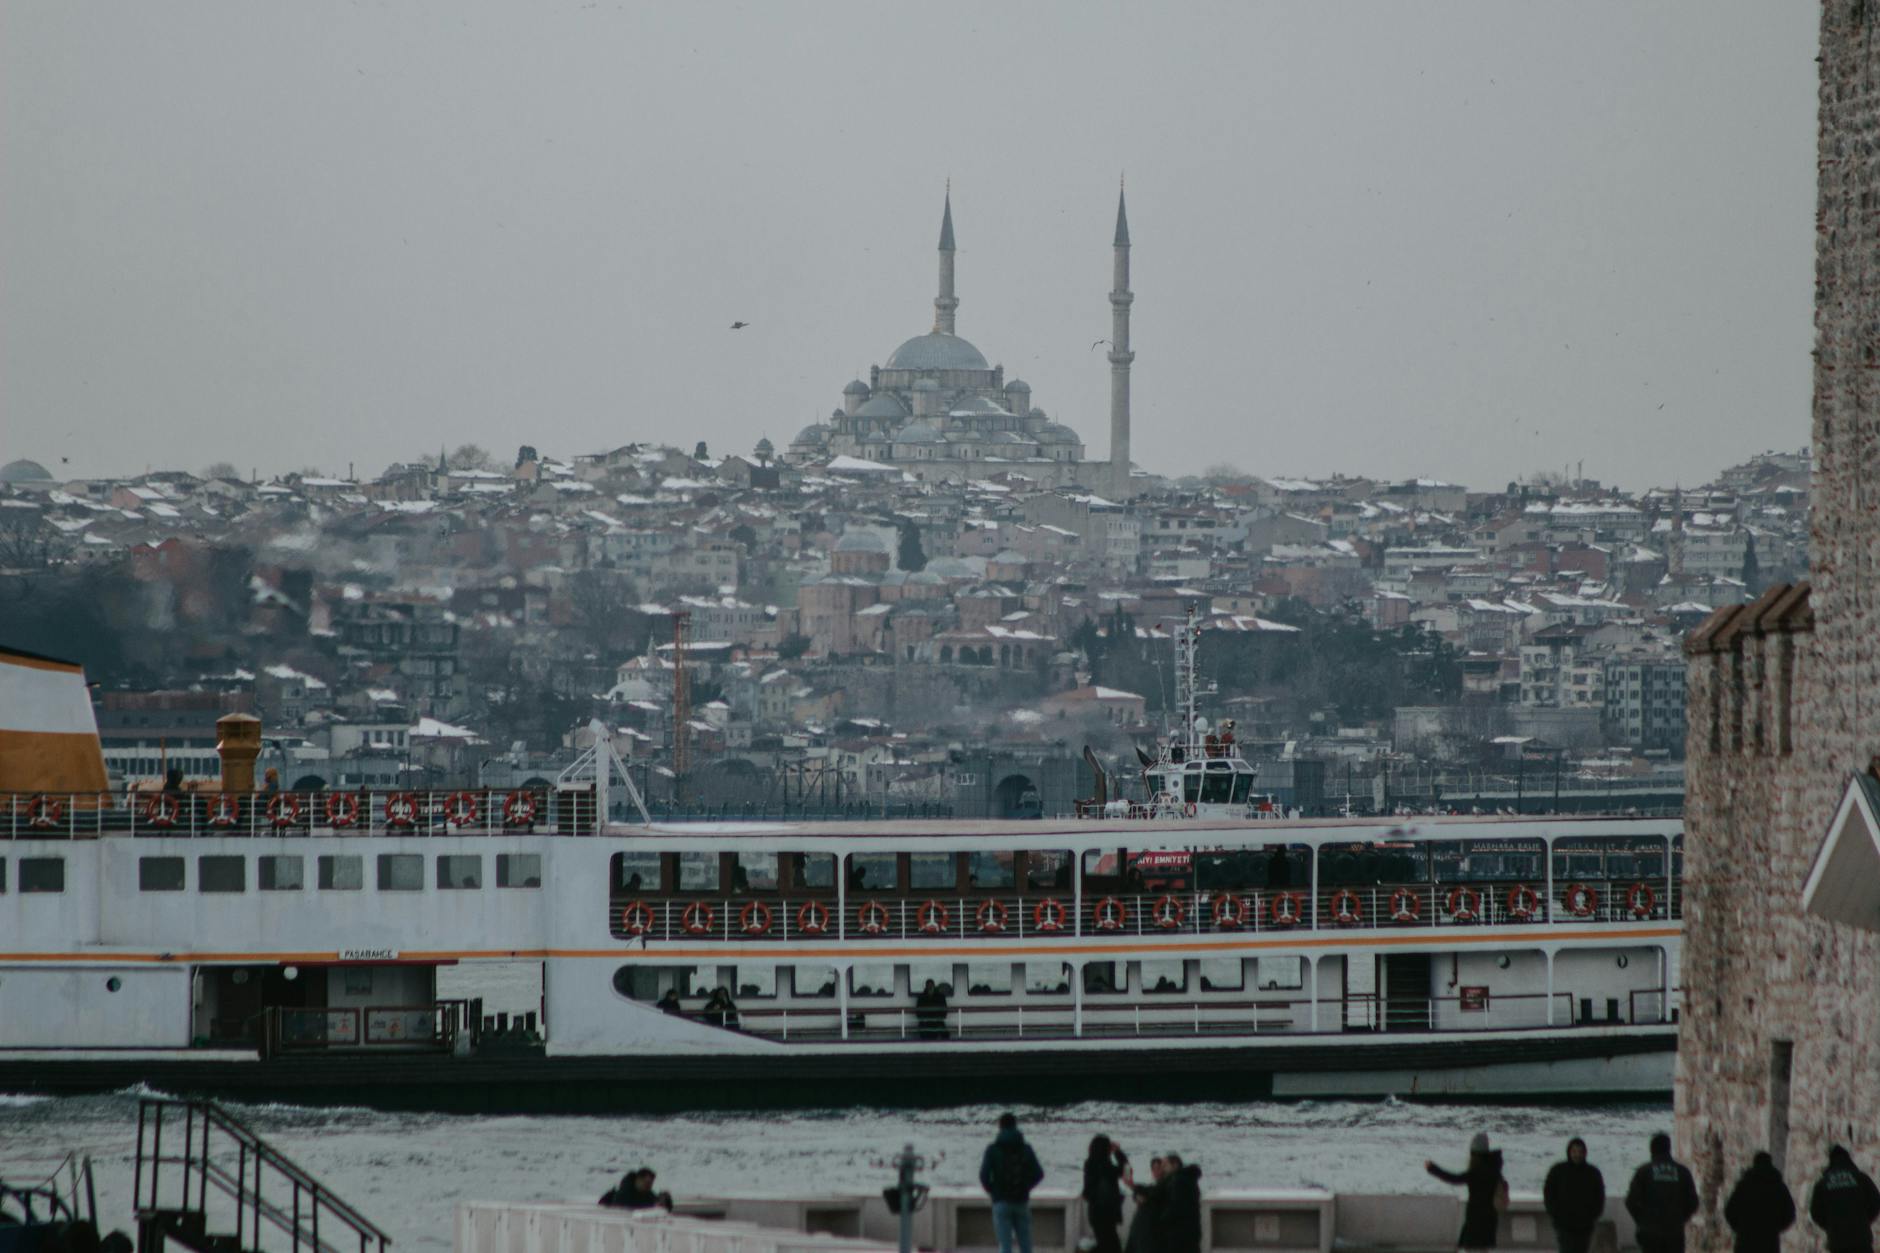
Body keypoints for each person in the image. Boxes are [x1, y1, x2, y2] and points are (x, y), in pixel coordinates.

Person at [1426, 1133, 1507, 1252]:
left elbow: (1454, 1178)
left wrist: (1432, 1168)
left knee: (1471, 1248)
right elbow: (1503, 1185)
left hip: (1475, 1217)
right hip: (1490, 1216)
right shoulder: (1494, 1168)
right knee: (1483, 1249)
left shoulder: (1476, 1171)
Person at [979, 1112, 1045, 1253]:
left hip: (1001, 1202)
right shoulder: (1026, 1148)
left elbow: (984, 1176)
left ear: (1000, 1127)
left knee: (1005, 1246)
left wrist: (994, 1192)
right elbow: (1039, 1174)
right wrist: (1026, 1187)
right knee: (1026, 1245)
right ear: (1016, 1125)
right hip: (1021, 1201)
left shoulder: (992, 1149)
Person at [1625, 1133, 1700, 1253]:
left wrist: (1642, 1220)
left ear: (1651, 1149)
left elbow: (1631, 1201)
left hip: (1650, 1232)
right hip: (1674, 1232)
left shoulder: (1644, 1171)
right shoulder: (1682, 1172)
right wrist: (1681, 1218)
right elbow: (1693, 1202)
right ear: (1669, 1149)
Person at [1810, 1146, 1880, 1253]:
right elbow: (1876, 1202)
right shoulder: (1861, 1178)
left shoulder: (1822, 1183)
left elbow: (1815, 1212)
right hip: (1861, 1240)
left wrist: (1830, 1224)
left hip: (1837, 1241)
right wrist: (1864, 1221)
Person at [1724, 1151, 1795, 1253]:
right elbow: (1789, 1213)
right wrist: (1775, 1228)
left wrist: (1740, 1228)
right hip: (1769, 1241)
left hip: (1745, 1240)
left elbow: (1730, 1211)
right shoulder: (1778, 1186)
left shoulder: (1744, 1185)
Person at [1544, 1137, 1607, 1253]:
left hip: (1585, 1225)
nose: (1577, 1155)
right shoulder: (1558, 1171)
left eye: (1580, 1152)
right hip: (1563, 1224)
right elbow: (1548, 1193)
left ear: (1585, 1153)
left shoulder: (1592, 1173)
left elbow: (1600, 1196)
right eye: (1574, 1151)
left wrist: (1593, 1216)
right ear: (1569, 1152)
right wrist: (1555, 1214)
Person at [1083, 1136, 1128, 1253]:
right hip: (1106, 1213)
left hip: (1096, 1212)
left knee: (1105, 1245)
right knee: (1111, 1246)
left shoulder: (1090, 1164)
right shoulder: (1106, 1166)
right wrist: (1118, 1152)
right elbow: (1124, 1169)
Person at [1158, 1154, 1203, 1253]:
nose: (1163, 1169)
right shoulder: (1189, 1179)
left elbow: (1175, 1206)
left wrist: (1162, 1219)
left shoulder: (1178, 1181)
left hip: (1179, 1232)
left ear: (1175, 1165)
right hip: (1191, 1229)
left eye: (1165, 1165)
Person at [1124, 1157, 1167, 1253]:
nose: (1156, 1172)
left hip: (1153, 1232)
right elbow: (1142, 1192)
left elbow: (1150, 1194)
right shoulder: (1153, 1187)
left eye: (1158, 1168)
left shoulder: (1166, 1187)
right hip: (1142, 1233)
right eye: (1154, 1169)